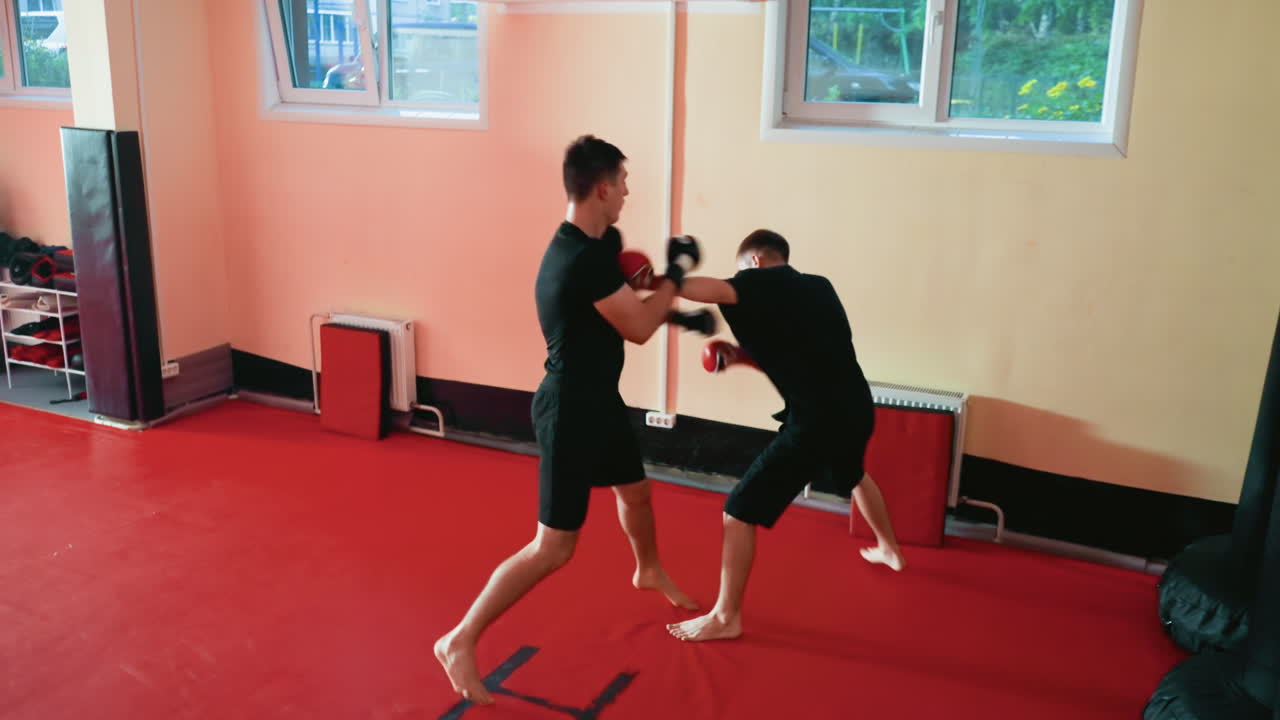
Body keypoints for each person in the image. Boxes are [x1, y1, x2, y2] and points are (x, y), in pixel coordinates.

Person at [435, 135, 705, 703]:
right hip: (568, 410)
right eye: (624, 184)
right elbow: (634, 325)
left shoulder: (599, 243)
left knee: (635, 492)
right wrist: (677, 278)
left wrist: (675, 309)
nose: (629, 193)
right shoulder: (578, 259)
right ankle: (459, 639)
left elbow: (626, 302)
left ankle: (647, 568)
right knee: (553, 548)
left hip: (599, 399)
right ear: (601, 187)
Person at [665, 229, 906, 643]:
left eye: (744, 271)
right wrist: (741, 357)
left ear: (755, 261)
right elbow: (799, 356)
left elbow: (706, 289)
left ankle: (726, 617)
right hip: (855, 407)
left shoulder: (755, 281)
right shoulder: (819, 288)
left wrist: (651, 279)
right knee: (853, 474)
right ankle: (889, 549)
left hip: (816, 422)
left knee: (739, 511)